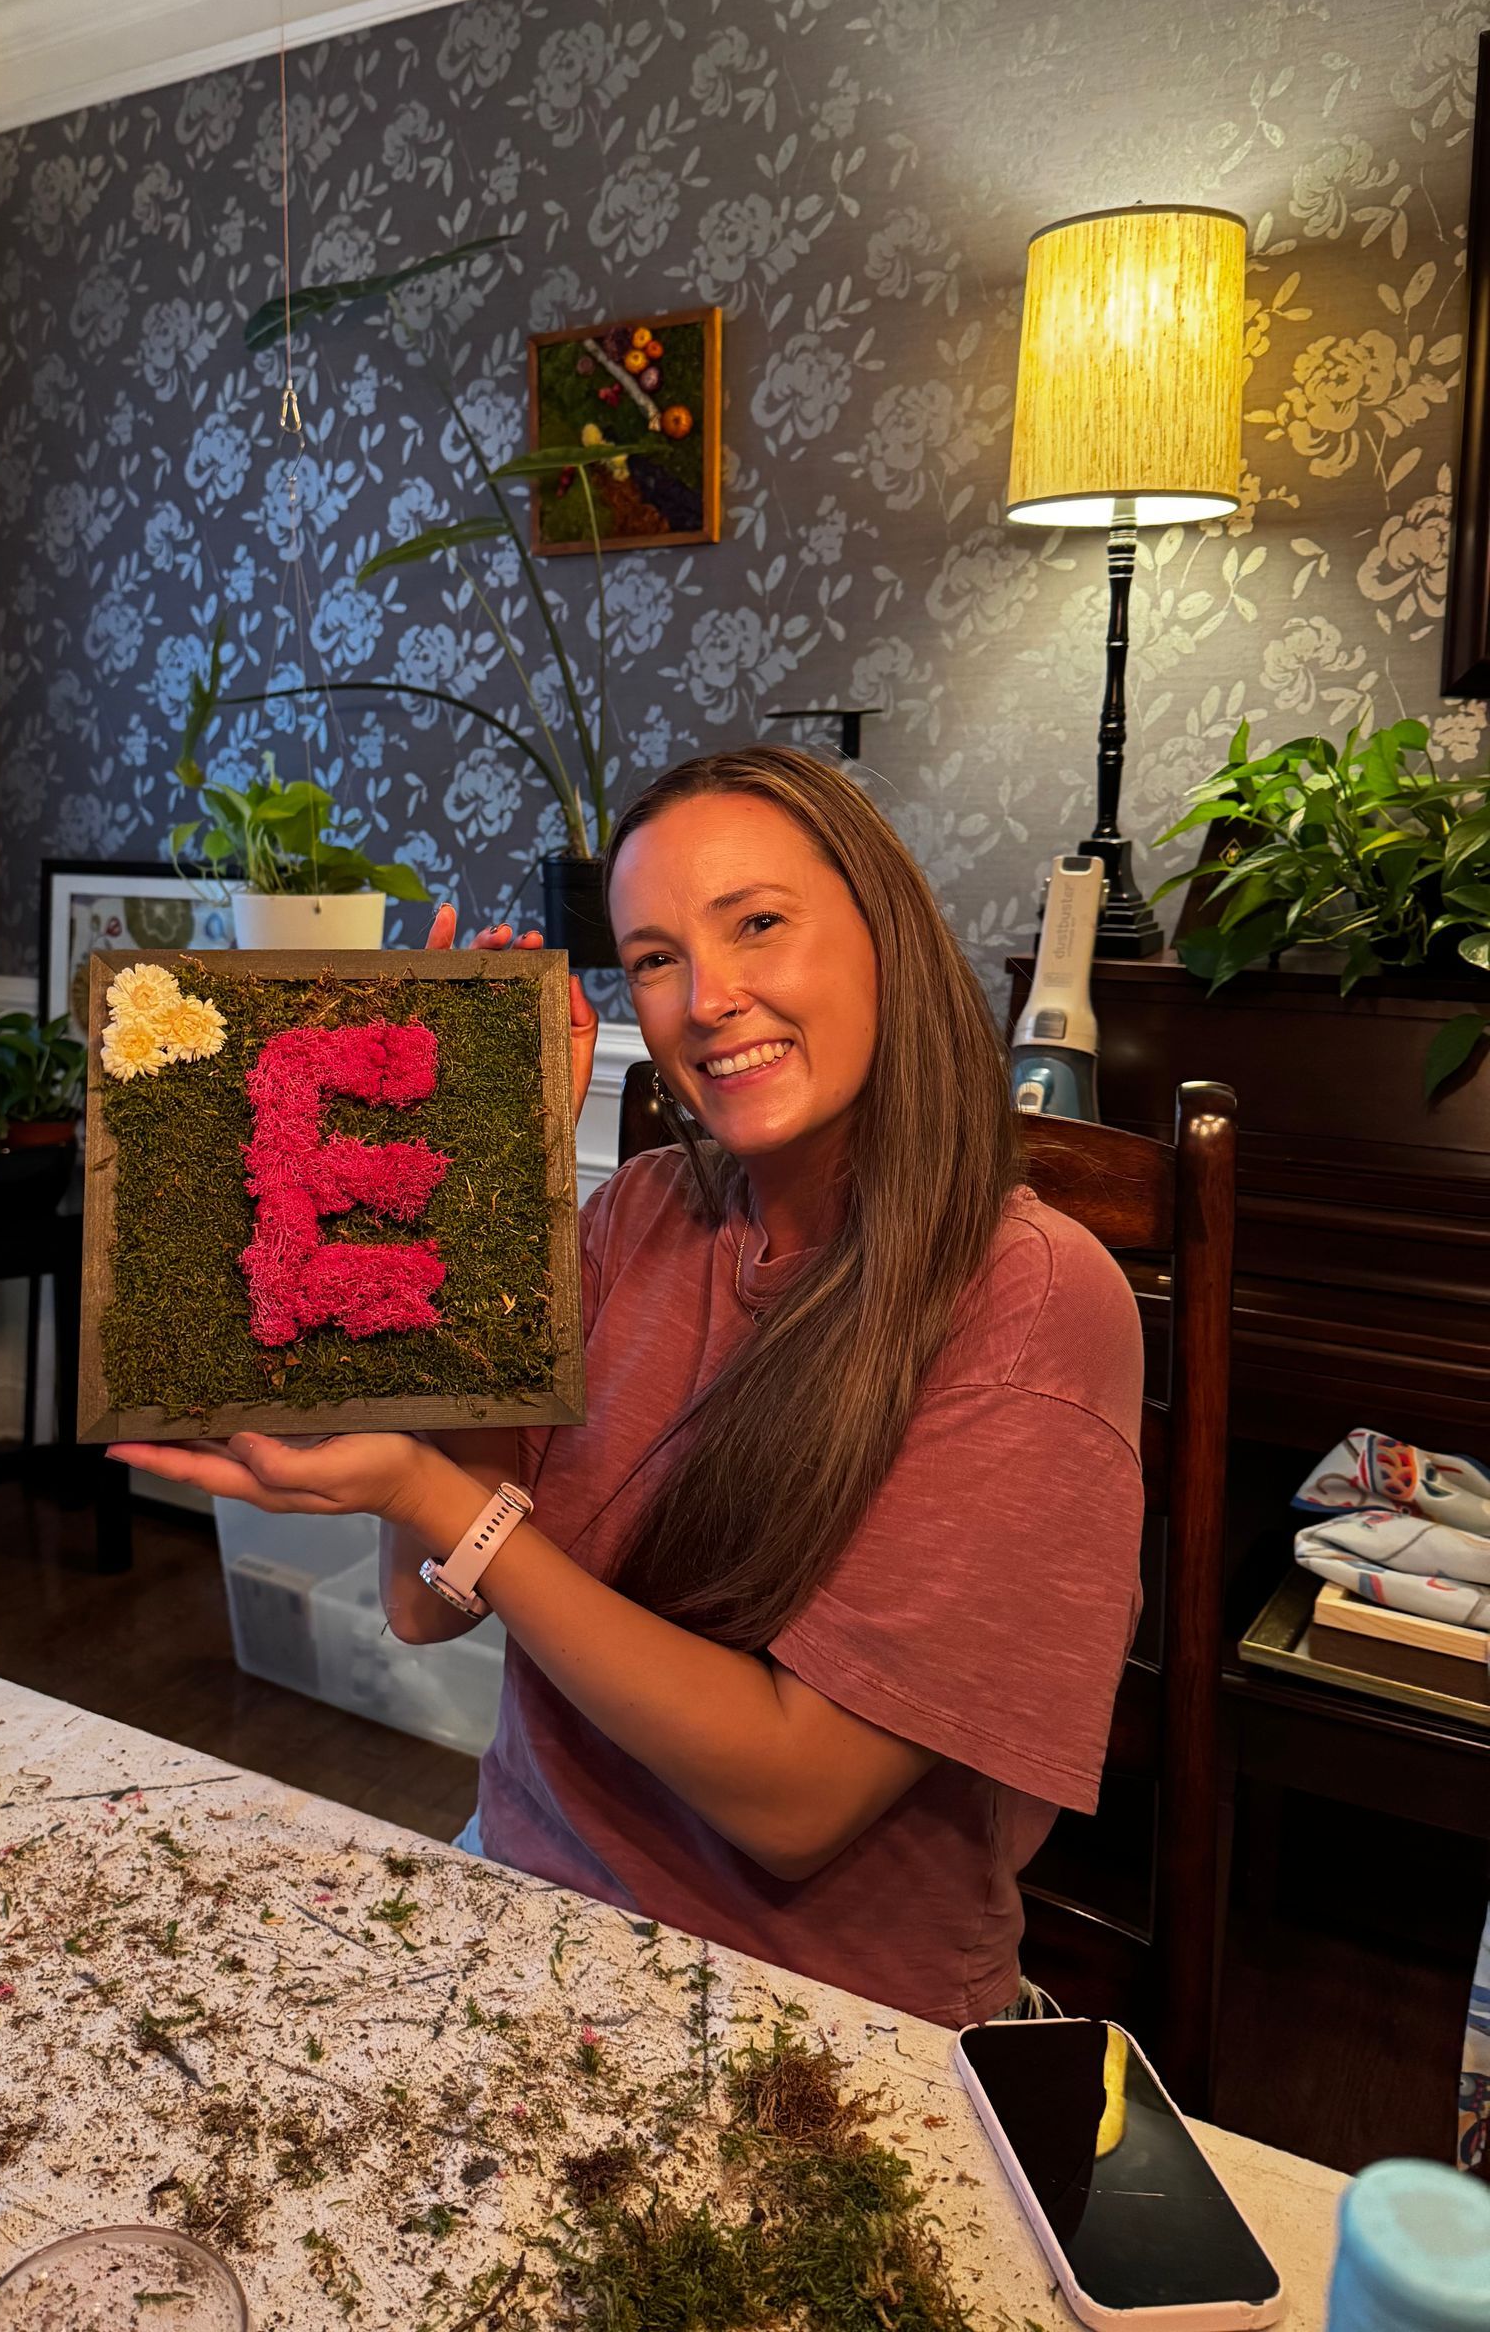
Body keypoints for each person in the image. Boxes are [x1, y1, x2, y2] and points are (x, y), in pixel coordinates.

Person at [109, 746, 1144, 2028]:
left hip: (817, 2021)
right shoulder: (635, 1216)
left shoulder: (1030, 1297)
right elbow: (422, 1611)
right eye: (654, 957)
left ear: (888, 934)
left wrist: (442, 1503)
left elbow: (795, 1801)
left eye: (758, 923)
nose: (707, 997)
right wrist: (481, 1189)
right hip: (524, 1905)